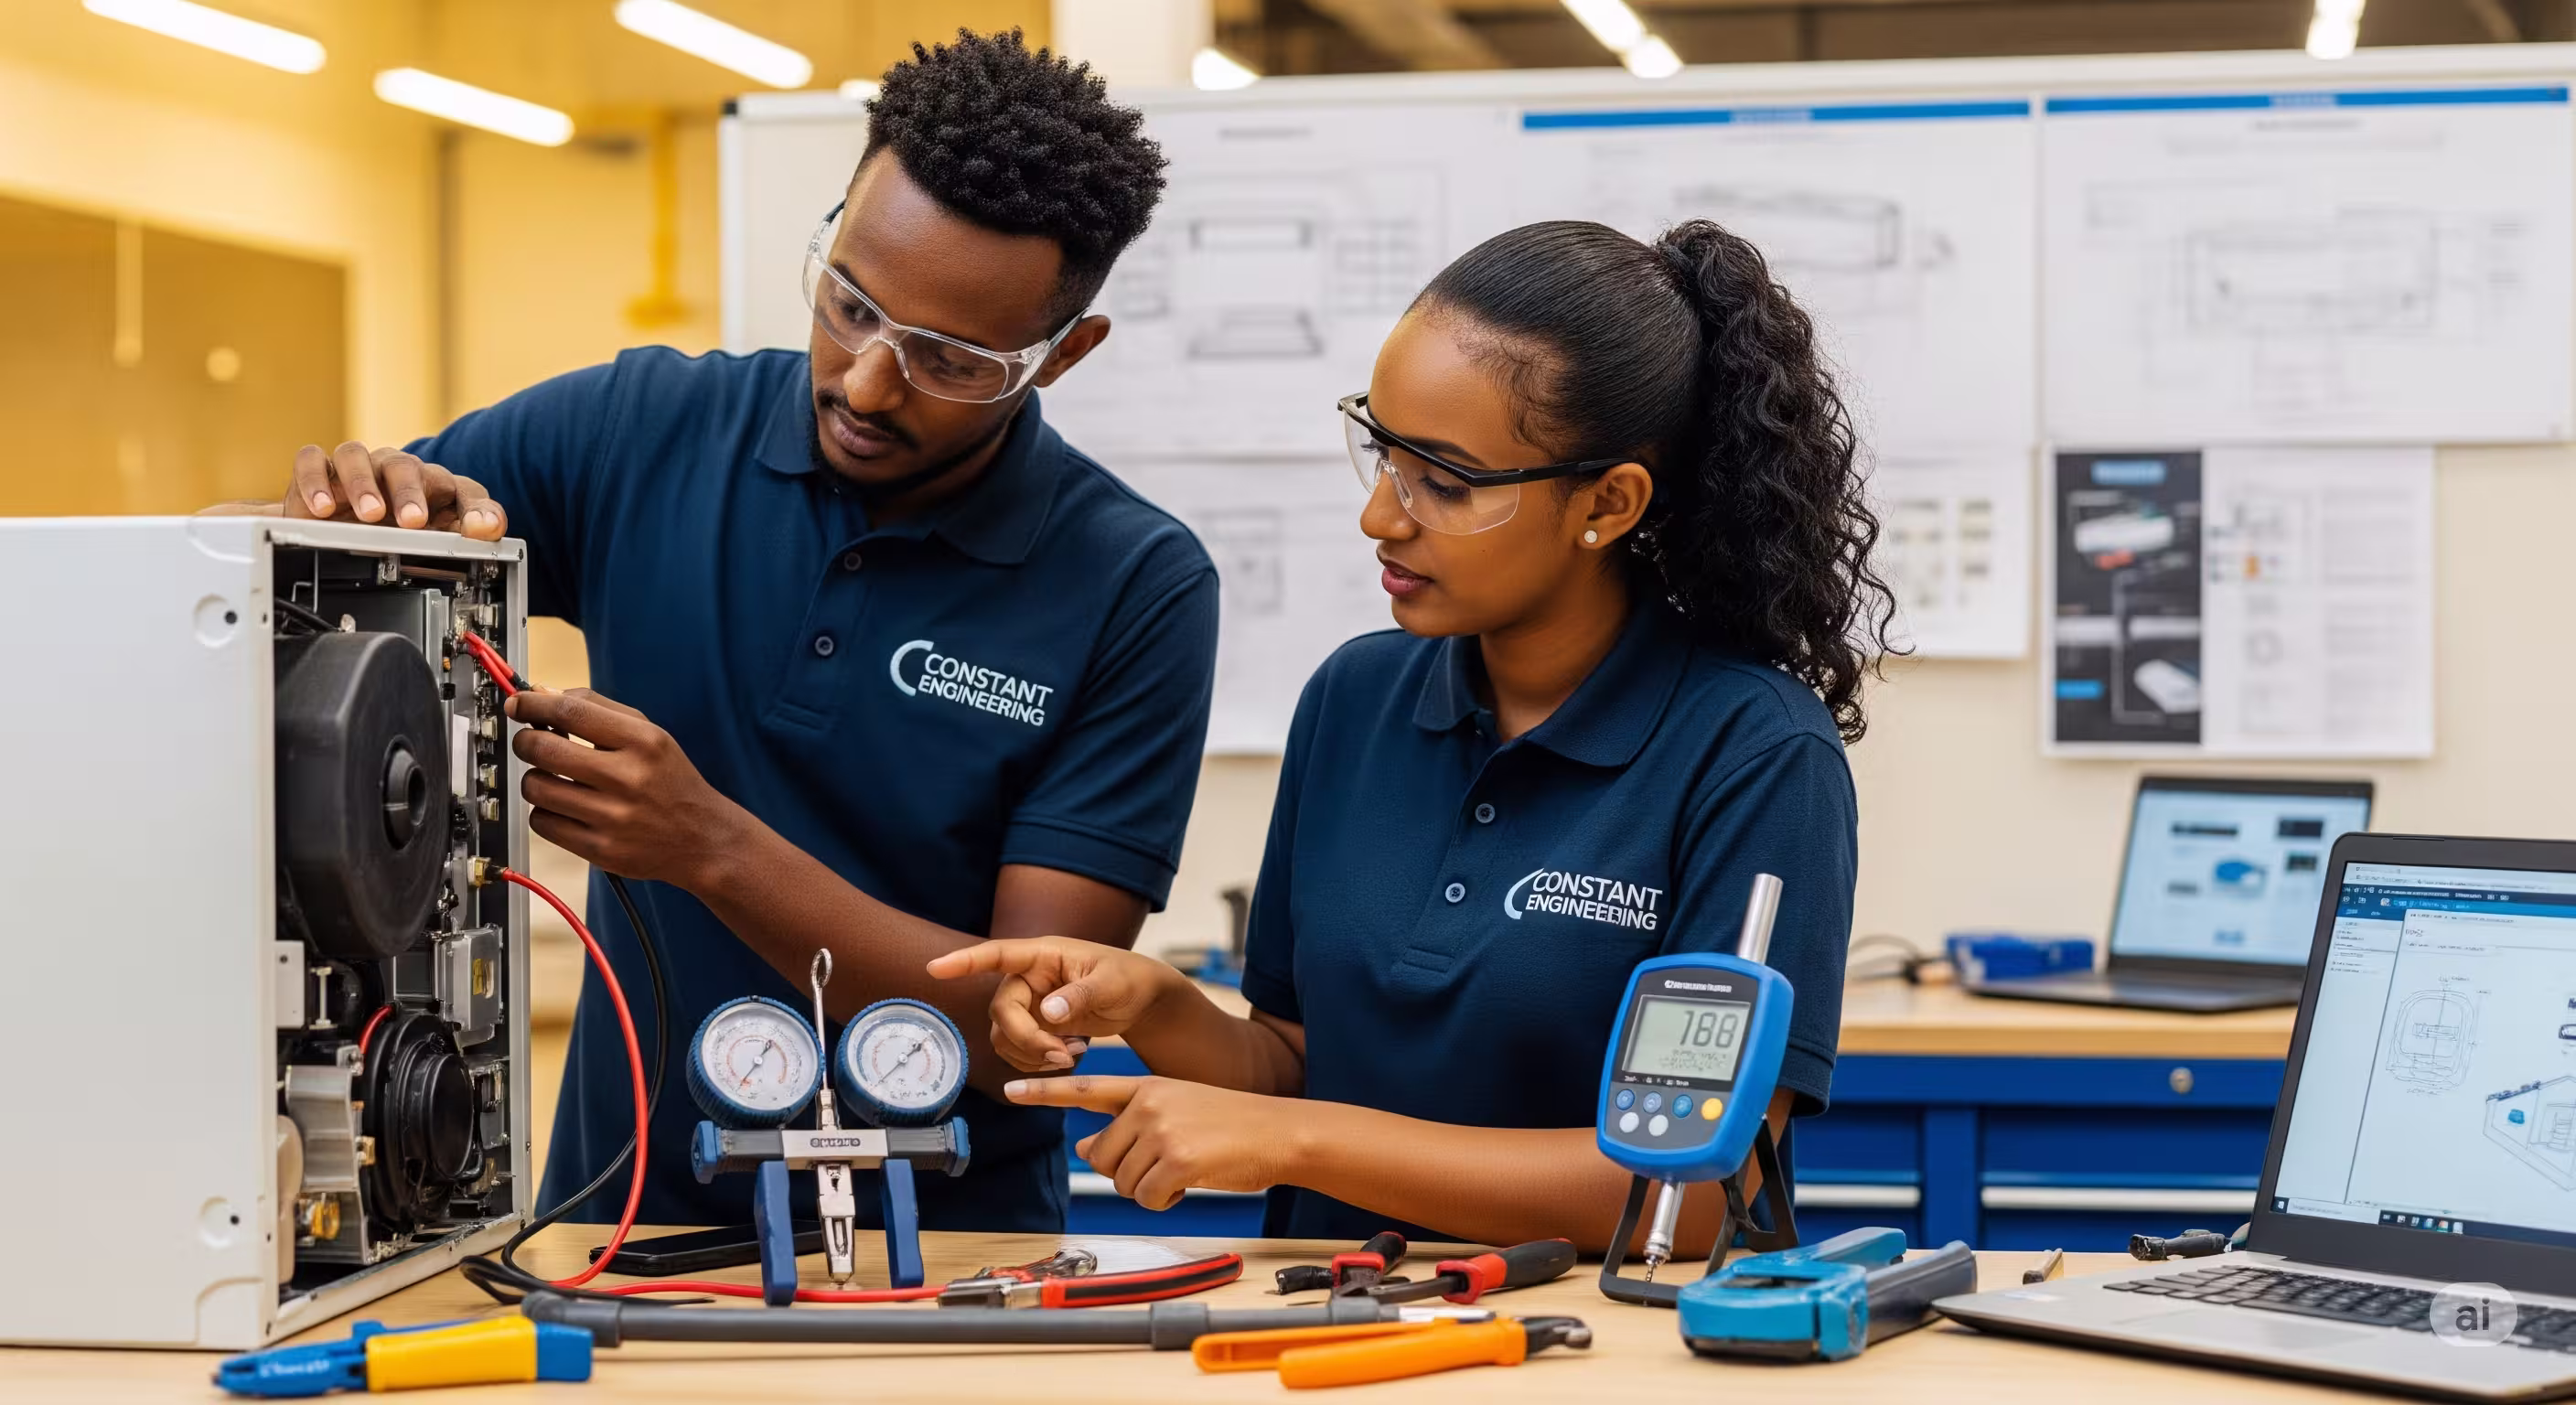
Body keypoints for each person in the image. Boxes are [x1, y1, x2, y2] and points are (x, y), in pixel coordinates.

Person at [209, 30, 1215, 1233]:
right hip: (608, 1225)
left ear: (1063, 357)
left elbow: (1022, 1041)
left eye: (950, 359)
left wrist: (711, 849)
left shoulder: (1134, 584)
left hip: (947, 1251)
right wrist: (305, 516)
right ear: (837, 230)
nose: (867, 383)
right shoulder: (639, 430)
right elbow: (258, 588)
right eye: (850, 303)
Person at [930, 219, 1896, 1251]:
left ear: (1607, 504)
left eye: (1445, 482)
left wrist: (1296, 1143)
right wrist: (1155, 1006)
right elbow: (1296, 1063)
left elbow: (1696, 1191)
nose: (1381, 518)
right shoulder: (1353, 698)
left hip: (1598, 1352)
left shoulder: (1753, 754)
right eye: (1382, 453)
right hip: (1332, 1320)